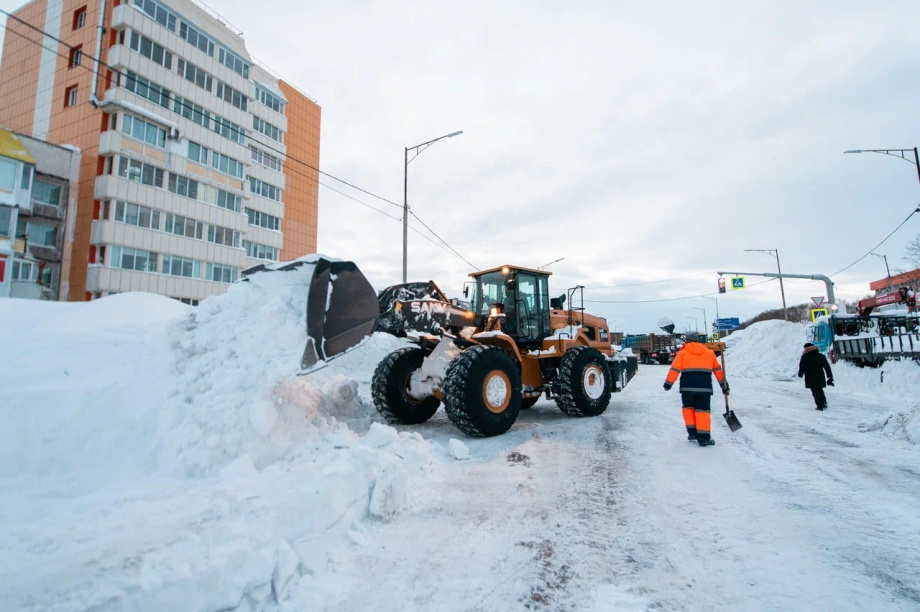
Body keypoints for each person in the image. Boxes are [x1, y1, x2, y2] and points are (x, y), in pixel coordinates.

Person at [663, 337, 728, 447]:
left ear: (687, 342)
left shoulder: (682, 353)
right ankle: (704, 438)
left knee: (688, 410)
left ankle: (692, 433)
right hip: (704, 389)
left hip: (687, 389)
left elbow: (674, 370)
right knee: (703, 413)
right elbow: (718, 371)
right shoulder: (709, 353)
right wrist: (724, 386)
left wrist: (668, 384)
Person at [798, 343, 833, 411]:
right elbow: (827, 367)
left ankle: (819, 405)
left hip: (810, 376)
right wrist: (829, 376)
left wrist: (800, 374)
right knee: (820, 389)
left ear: (806, 348)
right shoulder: (821, 356)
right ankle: (824, 403)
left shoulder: (805, 356)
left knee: (814, 391)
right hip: (820, 376)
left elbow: (802, 366)